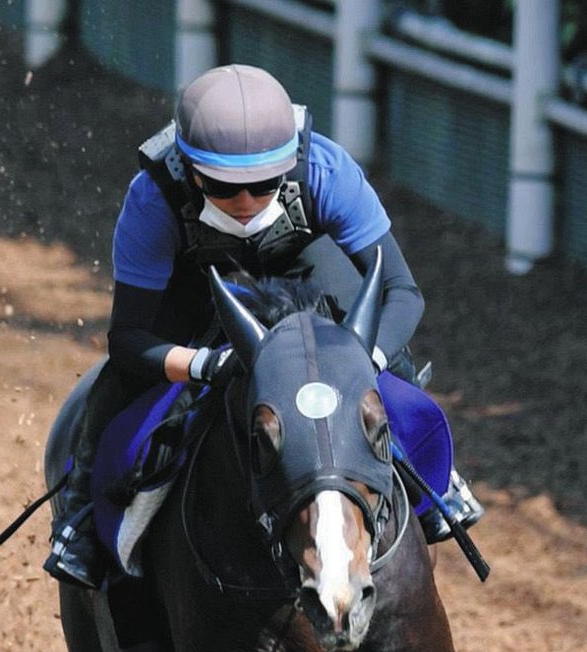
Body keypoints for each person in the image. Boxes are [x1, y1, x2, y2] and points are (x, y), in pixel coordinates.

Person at [45, 63, 483, 589]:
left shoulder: (327, 171)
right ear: (189, 168)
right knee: (121, 383)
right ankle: (79, 518)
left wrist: (361, 362)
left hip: (306, 264)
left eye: (263, 184)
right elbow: (129, 339)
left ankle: (435, 487)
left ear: (291, 163)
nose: (247, 203)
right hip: (200, 286)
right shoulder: (153, 199)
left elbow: (402, 293)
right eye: (225, 187)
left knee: (387, 346)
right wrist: (205, 364)